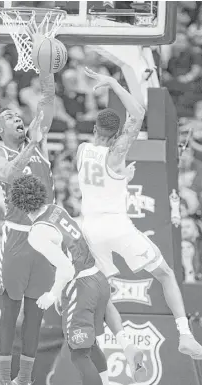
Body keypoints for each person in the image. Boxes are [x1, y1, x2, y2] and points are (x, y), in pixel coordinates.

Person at [76, 67, 202, 360]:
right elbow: (139, 112)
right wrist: (113, 84)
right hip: (116, 226)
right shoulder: (117, 152)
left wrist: (123, 178)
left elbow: (106, 178)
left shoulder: (83, 150)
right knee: (166, 274)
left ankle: (125, 345)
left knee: (103, 290)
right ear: (118, 134)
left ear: (94, 130)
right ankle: (185, 336)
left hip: (90, 230)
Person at [10, 174, 146, 385]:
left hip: (80, 287)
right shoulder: (57, 210)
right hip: (97, 277)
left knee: (78, 352)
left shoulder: (37, 232)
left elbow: (66, 268)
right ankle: (126, 346)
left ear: (18, 205)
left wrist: (52, 293)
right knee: (88, 345)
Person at [0, 24, 56, 385]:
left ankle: (25, 379)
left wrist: (45, 63)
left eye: (18, 115)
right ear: (0, 131)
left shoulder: (39, 143)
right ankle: (1, 377)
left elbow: (47, 98)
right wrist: (32, 143)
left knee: (36, 313)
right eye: (9, 118)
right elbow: (12, 176)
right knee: (9, 310)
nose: (18, 118)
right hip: (16, 239)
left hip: (46, 237)